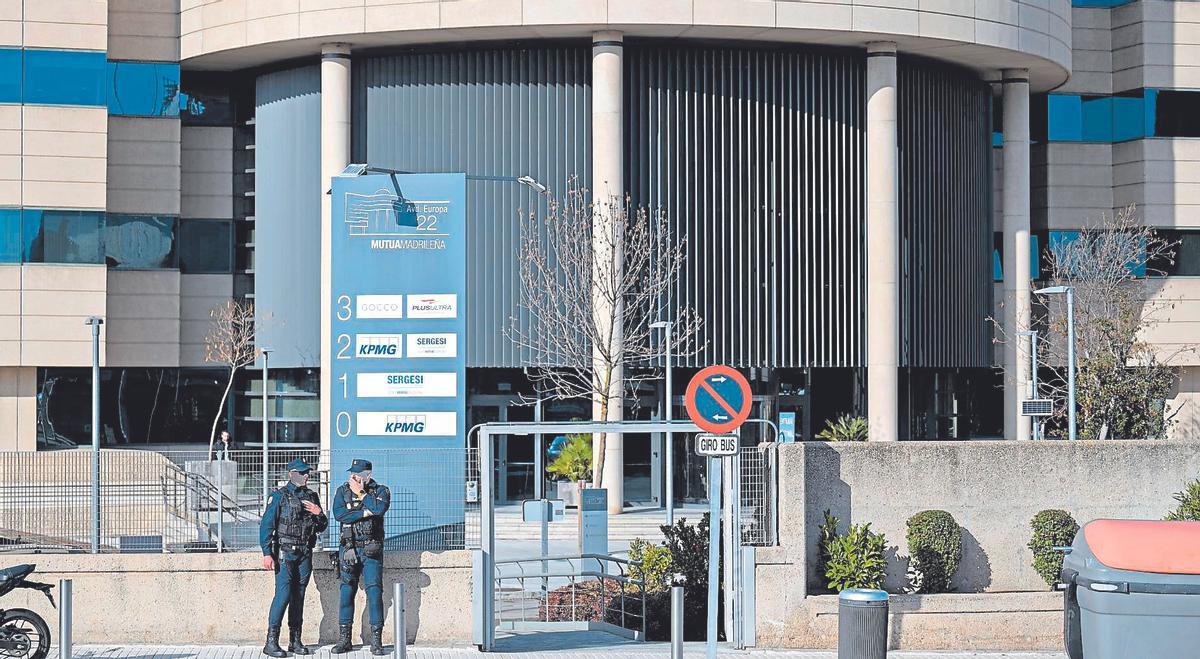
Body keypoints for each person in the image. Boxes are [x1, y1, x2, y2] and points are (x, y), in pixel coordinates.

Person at [259, 458, 327, 657]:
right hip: (285, 553)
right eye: (302, 472)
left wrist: (319, 513)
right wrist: (266, 553)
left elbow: (321, 526)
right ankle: (271, 642)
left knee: (299, 596)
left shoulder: (312, 496)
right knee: (283, 596)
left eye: (307, 472)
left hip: (305, 553)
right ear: (292, 474)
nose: (307, 476)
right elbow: (266, 526)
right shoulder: (279, 496)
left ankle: (295, 641)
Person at [331, 459, 391, 655]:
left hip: (371, 550)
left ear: (367, 475)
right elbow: (340, 515)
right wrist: (365, 512)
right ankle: (344, 640)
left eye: (357, 474)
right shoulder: (342, 491)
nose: (353, 477)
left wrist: (363, 495)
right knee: (346, 593)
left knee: (374, 594)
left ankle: (376, 641)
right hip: (349, 549)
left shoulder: (381, 491)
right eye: (352, 474)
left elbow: (379, 509)